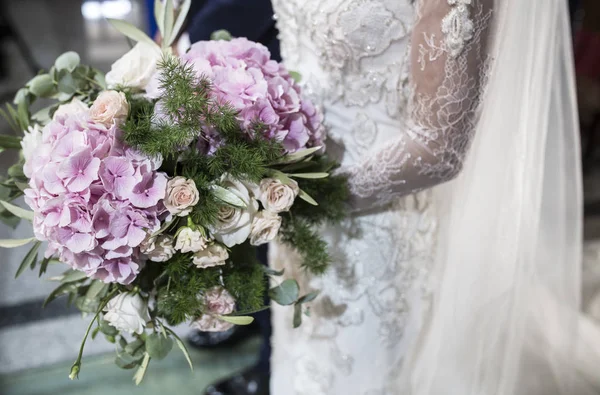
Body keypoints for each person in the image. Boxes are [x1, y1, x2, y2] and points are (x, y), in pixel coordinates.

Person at [268, 0, 600, 394]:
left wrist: (305, 194)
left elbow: (437, 148)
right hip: (291, 205)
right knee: (300, 359)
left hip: (377, 229)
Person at [177, 1, 280, 394]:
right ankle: (250, 314)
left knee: (265, 208)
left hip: (261, 31)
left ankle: (271, 360)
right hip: (212, 25)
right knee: (243, 211)